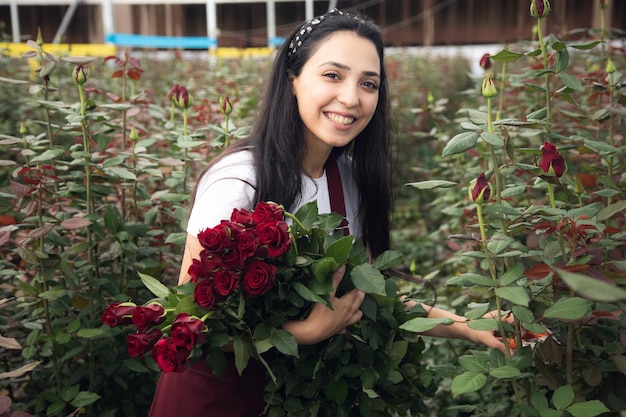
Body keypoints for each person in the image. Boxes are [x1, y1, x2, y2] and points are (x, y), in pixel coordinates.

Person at [148, 8, 509, 417]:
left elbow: (369, 297)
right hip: (216, 399)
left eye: (368, 83)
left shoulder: (349, 180)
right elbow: (191, 325)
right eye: (333, 75)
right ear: (293, 80)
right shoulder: (240, 182)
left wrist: (472, 326)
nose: (352, 98)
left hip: (298, 398)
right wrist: (305, 333)